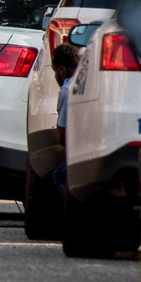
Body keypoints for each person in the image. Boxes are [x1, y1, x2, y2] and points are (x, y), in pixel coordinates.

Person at [51, 43, 80, 191]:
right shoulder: (87, 82)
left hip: (81, 151)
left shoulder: (67, 89)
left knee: (59, 175)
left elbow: (62, 139)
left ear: (62, 71)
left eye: (54, 72)